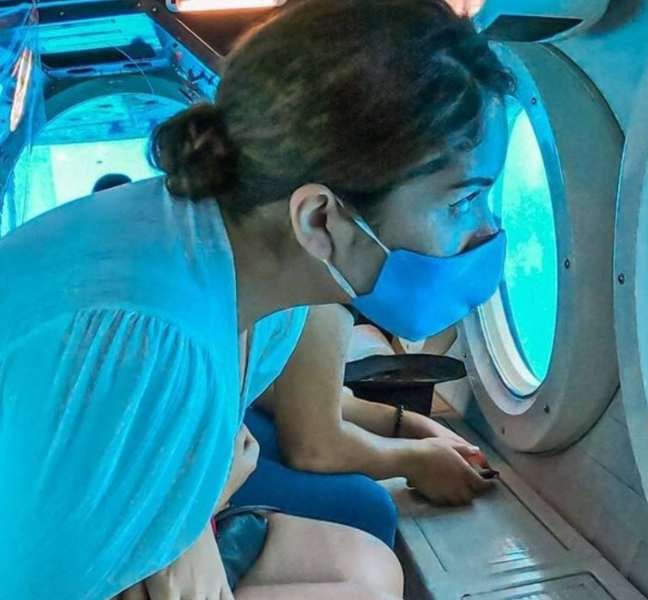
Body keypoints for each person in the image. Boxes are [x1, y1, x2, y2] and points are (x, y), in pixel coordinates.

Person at [0, 0, 514, 597]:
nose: (485, 232)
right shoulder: (155, 344)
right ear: (320, 220)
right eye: (461, 203)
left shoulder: (255, 290)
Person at [231, 304, 494, 549]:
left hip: (237, 411)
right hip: (206, 437)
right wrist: (417, 461)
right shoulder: (326, 279)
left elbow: (280, 391)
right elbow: (313, 449)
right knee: (368, 509)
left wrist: (406, 424)